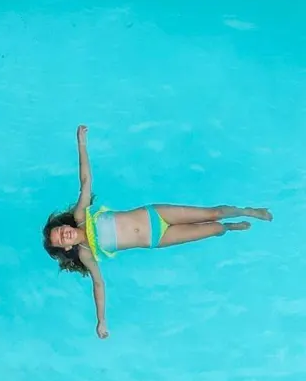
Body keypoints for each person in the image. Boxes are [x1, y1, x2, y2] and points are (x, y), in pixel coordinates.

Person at [42, 125, 272, 339]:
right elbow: (99, 284)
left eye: (61, 230)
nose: (64, 234)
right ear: (67, 247)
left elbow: (85, 180)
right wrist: (101, 321)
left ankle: (248, 211)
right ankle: (230, 227)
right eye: (61, 239)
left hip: (156, 214)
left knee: (212, 213)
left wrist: (81, 143)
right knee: (213, 229)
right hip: (157, 238)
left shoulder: (82, 215)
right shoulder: (85, 253)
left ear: (66, 225)